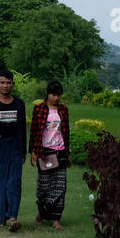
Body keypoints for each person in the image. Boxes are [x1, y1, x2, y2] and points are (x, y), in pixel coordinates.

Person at [0, 70, 26, 232]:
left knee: (14, 182)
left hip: (15, 147)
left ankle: (13, 217)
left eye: (8, 82)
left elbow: (22, 129)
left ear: (13, 84)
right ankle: (1, 216)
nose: (5, 86)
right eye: (2, 82)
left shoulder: (19, 104)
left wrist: (24, 151)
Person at [29, 80, 71, 230]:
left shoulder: (63, 110)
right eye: (53, 95)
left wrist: (68, 152)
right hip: (44, 152)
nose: (56, 98)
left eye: (58, 95)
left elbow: (66, 133)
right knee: (44, 187)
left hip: (60, 151)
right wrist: (33, 151)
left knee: (60, 186)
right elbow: (34, 132)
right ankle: (42, 212)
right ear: (47, 94)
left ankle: (56, 220)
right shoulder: (39, 109)